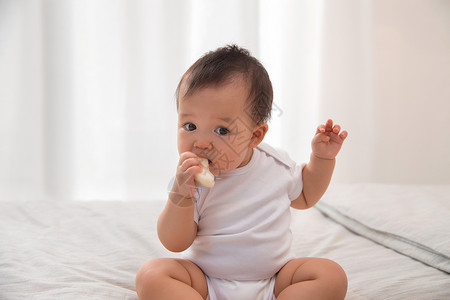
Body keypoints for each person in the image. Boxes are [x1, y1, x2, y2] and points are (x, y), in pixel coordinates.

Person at [136, 45, 348, 300]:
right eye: (190, 126)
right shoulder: (190, 181)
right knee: (151, 275)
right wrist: (181, 195)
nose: (201, 142)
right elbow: (175, 243)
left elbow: (305, 197)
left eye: (222, 130)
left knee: (331, 274)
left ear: (254, 136)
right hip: (205, 281)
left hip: (275, 279)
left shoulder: (275, 165)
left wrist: (322, 159)